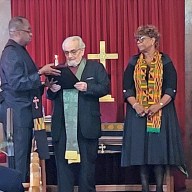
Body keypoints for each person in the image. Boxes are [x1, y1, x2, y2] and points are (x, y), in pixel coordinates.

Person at [121, 25, 185, 192]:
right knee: (141, 153)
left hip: (161, 113)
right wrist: (135, 105)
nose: (138, 42)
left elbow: (171, 88)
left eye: (142, 39)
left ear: (153, 41)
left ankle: (158, 188)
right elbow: (127, 88)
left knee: (158, 152)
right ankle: (144, 188)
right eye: (137, 39)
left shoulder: (165, 61)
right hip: (138, 114)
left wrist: (158, 105)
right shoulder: (133, 61)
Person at [0, 16, 61, 182]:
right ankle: (18, 185)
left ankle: (26, 184)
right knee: (19, 157)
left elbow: (26, 84)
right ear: (18, 32)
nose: (32, 34)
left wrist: (43, 84)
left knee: (27, 155)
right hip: (17, 113)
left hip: (25, 110)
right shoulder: (11, 53)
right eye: (29, 31)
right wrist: (40, 72)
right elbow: (16, 84)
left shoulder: (19, 51)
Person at [47, 36, 110, 192]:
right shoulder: (58, 70)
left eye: (73, 52)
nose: (70, 56)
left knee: (87, 172)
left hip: (86, 127)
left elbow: (105, 88)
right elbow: (50, 94)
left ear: (82, 51)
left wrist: (88, 87)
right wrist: (52, 90)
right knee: (63, 171)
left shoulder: (95, 68)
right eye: (66, 52)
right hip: (62, 129)